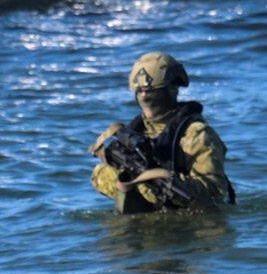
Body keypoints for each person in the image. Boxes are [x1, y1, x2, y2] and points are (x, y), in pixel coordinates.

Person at [90, 51, 236, 212]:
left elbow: (214, 194)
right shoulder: (135, 132)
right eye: (140, 90)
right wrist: (129, 180)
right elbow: (99, 178)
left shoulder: (196, 135)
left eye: (150, 90)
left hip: (188, 221)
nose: (144, 95)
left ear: (173, 89)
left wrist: (163, 182)